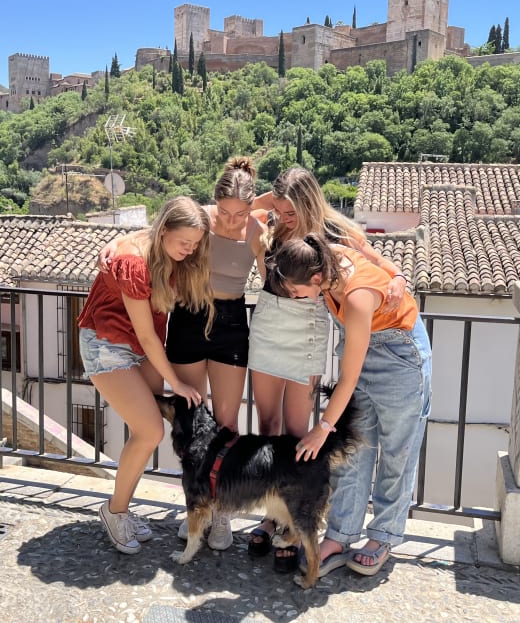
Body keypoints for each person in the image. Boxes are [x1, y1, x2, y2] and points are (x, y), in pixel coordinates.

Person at [99, 157, 266, 551]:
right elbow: (162, 231)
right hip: (189, 316)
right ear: (215, 204)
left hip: (230, 323)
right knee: (191, 420)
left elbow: (273, 274)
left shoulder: (257, 229)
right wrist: (117, 241)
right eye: (224, 211)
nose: (229, 220)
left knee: (225, 423)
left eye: (240, 213)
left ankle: (221, 512)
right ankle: (197, 508)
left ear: (251, 207)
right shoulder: (202, 220)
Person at [246, 167, 408, 569]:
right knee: (267, 425)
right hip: (269, 326)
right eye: (279, 211)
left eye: (290, 211)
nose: (283, 219)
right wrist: (276, 197)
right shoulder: (271, 225)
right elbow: (239, 208)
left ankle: (293, 521)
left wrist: (399, 276)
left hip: (308, 329)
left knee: (298, 431)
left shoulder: (335, 233)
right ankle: (271, 512)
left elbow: (380, 262)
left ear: (307, 202)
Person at [269, 233, 432, 578]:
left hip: (398, 357)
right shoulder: (326, 257)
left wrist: (323, 428)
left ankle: (383, 536)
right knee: (353, 451)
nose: (295, 298)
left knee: (397, 452)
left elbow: (348, 379)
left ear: (315, 279)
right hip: (363, 350)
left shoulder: (357, 297)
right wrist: (397, 275)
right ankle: (341, 536)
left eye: (296, 292)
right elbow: (377, 256)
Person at [78, 196, 213, 555]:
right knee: (151, 430)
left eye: (196, 243)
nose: (190, 249)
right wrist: (178, 383)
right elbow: (150, 336)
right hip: (107, 344)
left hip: (138, 345)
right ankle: (114, 511)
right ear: (164, 229)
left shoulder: (159, 242)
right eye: (185, 242)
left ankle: (121, 509)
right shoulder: (133, 262)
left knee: (145, 432)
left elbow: (216, 211)